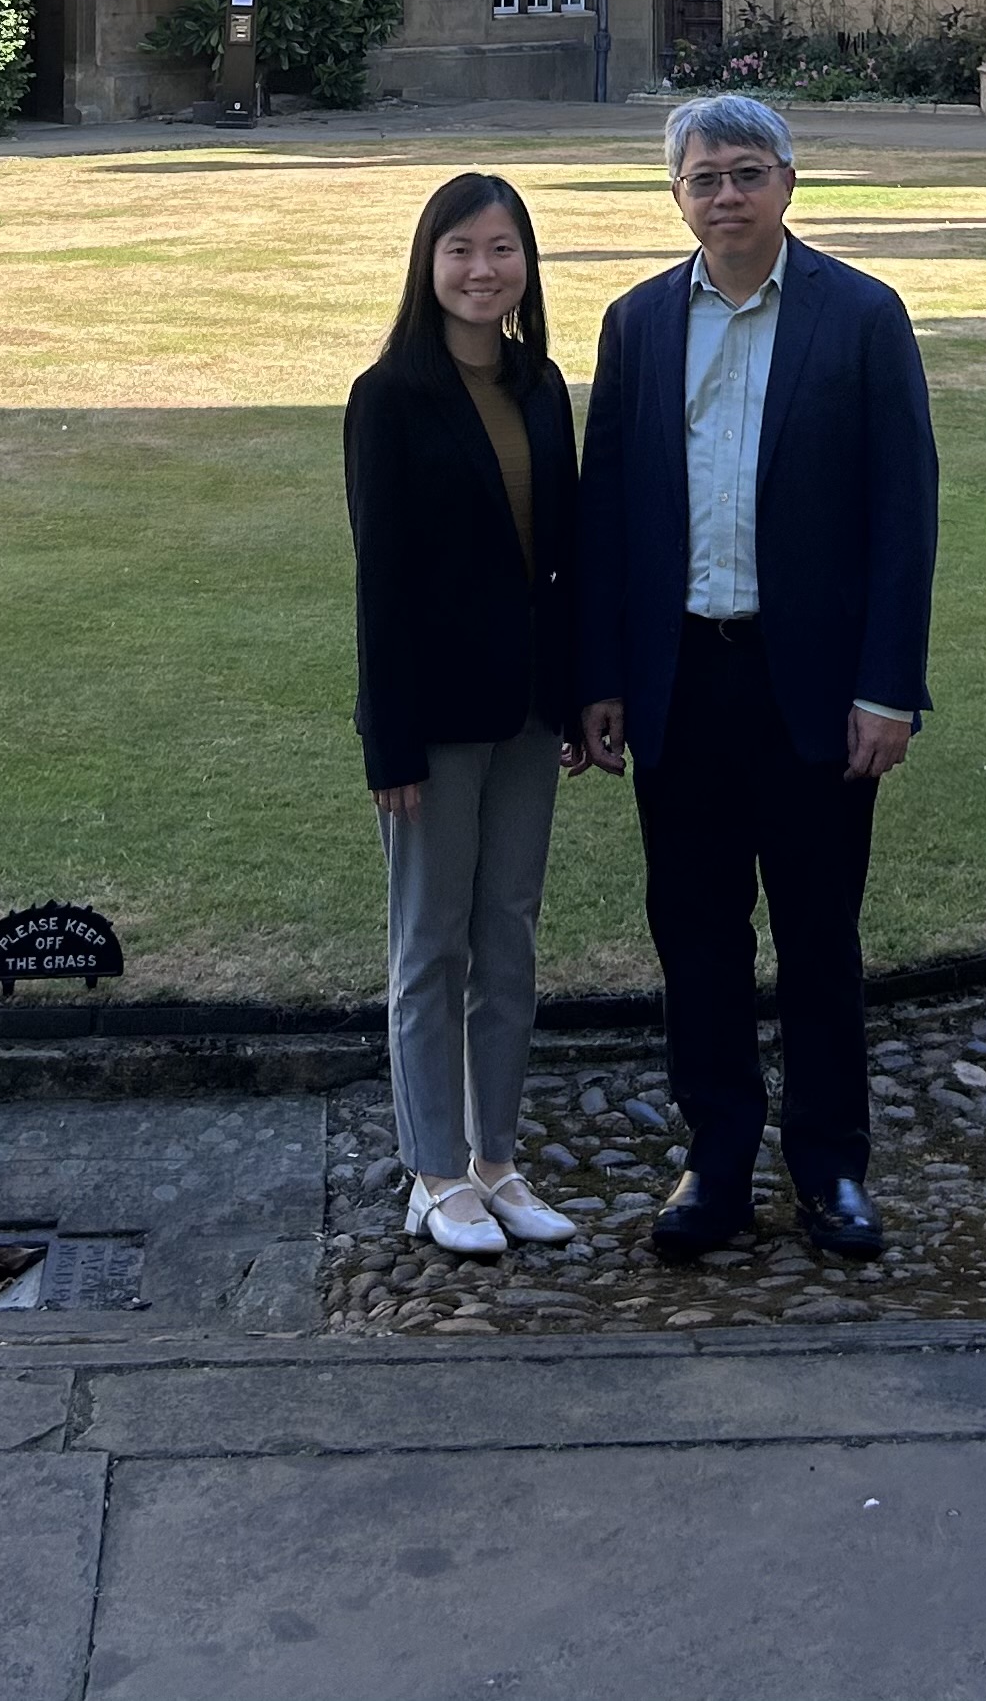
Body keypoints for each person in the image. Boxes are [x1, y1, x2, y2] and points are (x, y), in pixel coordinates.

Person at [578, 93, 938, 1261]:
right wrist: (605, 675)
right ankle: (716, 1160)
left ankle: (832, 1166)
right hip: (683, 678)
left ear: (790, 181)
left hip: (818, 691)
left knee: (821, 936)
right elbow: (610, 520)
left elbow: (904, 511)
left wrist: (889, 688)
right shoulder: (635, 325)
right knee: (696, 935)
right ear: (674, 197)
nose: (725, 196)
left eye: (745, 172)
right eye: (702, 179)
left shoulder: (862, 316)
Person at [344, 171, 588, 1260]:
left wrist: (586, 695)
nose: (483, 271)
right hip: (435, 720)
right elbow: (381, 583)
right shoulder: (389, 396)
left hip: (531, 712)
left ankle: (497, 1159)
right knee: (430, 945)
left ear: (527, 264)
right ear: (427, 263)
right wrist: (386, 737)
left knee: (510, 938)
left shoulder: (542, 386)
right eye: (461, 250)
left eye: (502, 249)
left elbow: (565, 562)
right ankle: (435, 1171)